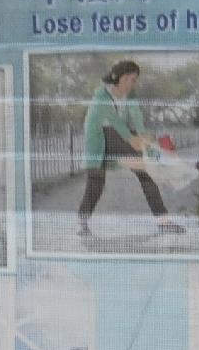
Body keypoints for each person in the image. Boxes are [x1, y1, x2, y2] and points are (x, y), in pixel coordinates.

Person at [73, 57, 177, 241]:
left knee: (145, 171)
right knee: (95, 184)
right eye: (131, 79)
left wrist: (143, 137)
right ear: (119, 77)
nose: (133, 83)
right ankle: (81, 224)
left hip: (116, 135)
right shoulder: (101, 96)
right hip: (98, 139)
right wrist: (134, 139)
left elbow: (136, 117)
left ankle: (164, 222)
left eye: (135, 80)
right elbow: (115, 122)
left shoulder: (131, 95)